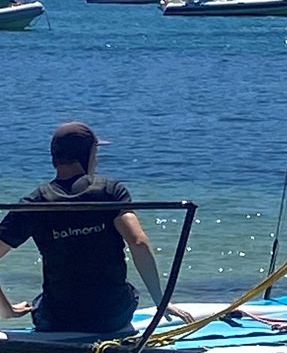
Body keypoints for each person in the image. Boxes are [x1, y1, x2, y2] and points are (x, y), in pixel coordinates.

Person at [0, 122, 193, 333]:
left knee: (42, 302)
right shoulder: (110, 192)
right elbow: (138, 243)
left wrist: (7, 310)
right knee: (125, 294)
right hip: (111, 317)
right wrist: (161, 300)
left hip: (57, 320)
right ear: (88, 154)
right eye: (95, 151)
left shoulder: (34, 202)